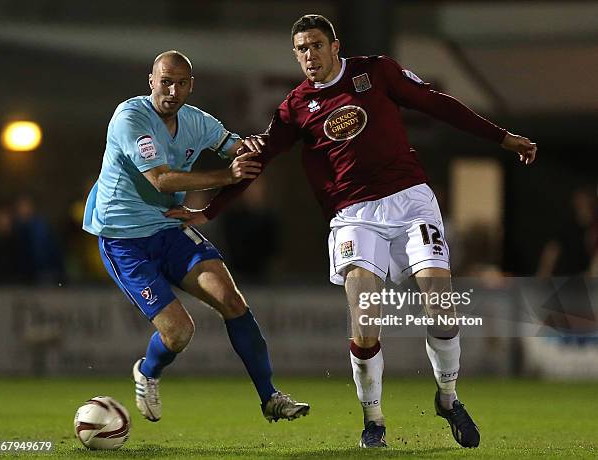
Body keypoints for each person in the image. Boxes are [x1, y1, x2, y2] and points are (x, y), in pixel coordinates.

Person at [166, 15, 537, 448]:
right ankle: (374, 422)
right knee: (365, 322)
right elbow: (258, 160)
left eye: (316, 45)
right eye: (301, 48)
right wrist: (212, 210)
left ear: (335, 46)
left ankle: (449, 398)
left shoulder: (375, 71)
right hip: (354, 216)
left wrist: (502, 138)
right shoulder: (295, 107)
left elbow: (436, 102)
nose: (309, 55)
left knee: (441, 306)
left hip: (411, 199)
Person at [82, 50, 309, 424]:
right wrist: (226, 177)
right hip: (123, 239)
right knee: (179, 333)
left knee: (232, 301)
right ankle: (148, 371)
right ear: (151, 81)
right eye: (165, 81)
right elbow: (162, 178)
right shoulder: (130, 117)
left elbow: (240, 151)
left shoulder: (196, 121)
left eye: (180, 83)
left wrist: (260, 145)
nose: (171, 90)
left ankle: (270, 397)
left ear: (190, 86)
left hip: (169, 226)